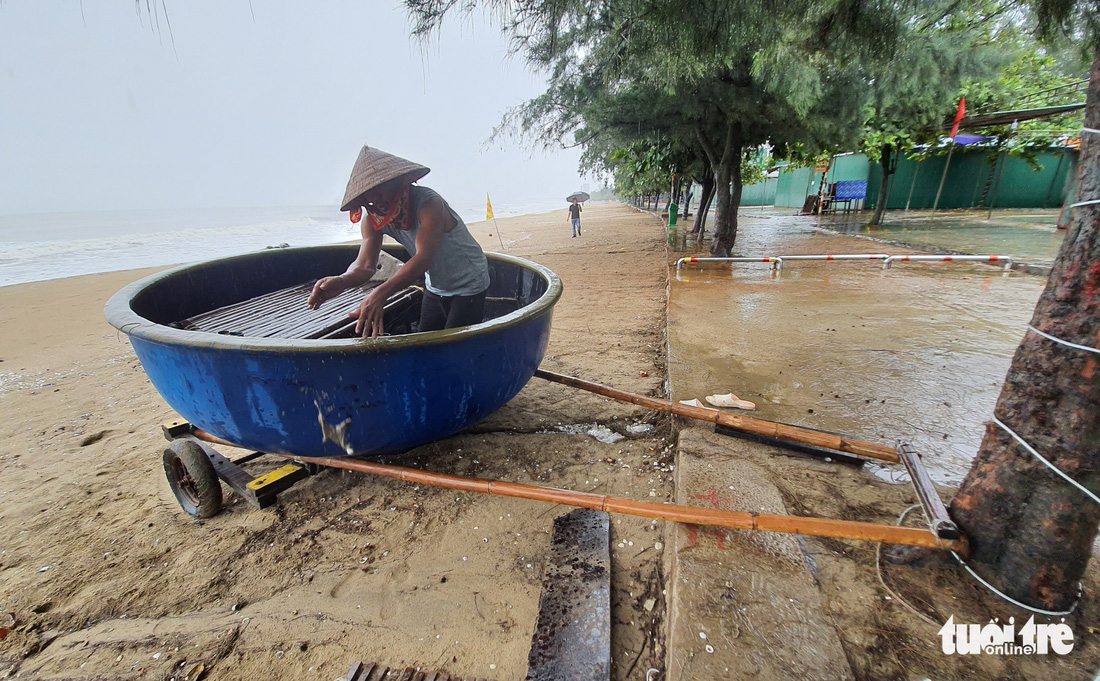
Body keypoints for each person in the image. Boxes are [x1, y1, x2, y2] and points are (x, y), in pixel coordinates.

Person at [307, 145, 490, 339]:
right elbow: (365, 266)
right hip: (436, 285)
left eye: (381, 192)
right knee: (424, 342)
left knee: (456, 345)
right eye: (370, 198)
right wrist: (342, 281)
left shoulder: (429, 204)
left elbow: (423, 259)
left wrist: (379, 294)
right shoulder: (372, 219)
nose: (378, 203)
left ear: (399, 183)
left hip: (470, 281)